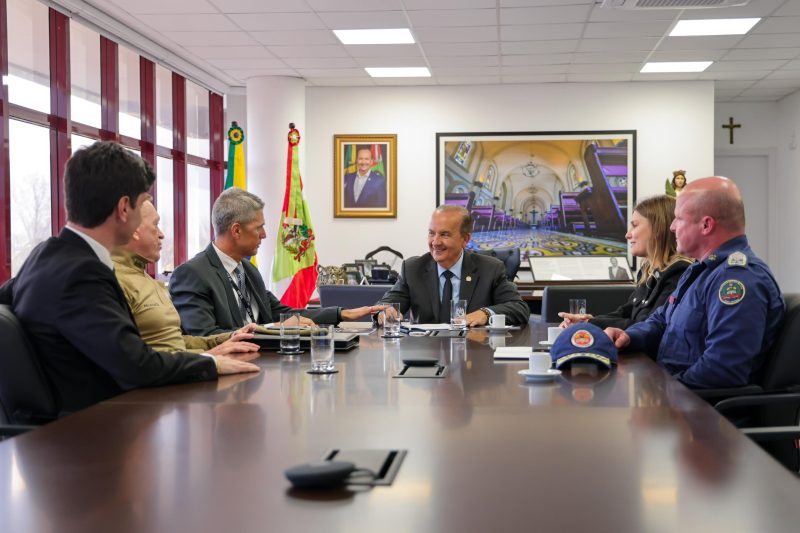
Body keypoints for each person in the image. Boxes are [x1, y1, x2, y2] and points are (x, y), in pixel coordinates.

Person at [0, 141, 259, 415]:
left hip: (88, 426)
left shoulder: (45, 254)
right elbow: (136, 365)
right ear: (124, 208)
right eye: (142, 202)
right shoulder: (83, 275)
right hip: (96, 431)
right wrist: (211, 363)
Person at [605, 177, 784, 389]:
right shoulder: (700, 270)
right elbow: (662, 320)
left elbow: (722, 370)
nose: (671, 227)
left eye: (678, 219)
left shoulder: (737, 279)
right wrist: (629, 336)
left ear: (706, 225)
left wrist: (663, 393)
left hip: (704, 413)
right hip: (676, 398)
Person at [170, 188, 382, 336]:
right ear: (236, 230)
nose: (264, 234)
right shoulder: (192, 274)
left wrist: (341, 313)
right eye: (258, 227)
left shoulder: (247, 270)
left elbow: (283, 313)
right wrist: (274, 328)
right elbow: (206, 337)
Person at [113, 200, 261, 355]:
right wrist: (210, 357)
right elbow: (130, 358)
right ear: (134, 230)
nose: (161, 234)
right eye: (155, 225)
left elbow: (176, 342)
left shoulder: (148, 281)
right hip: (173, 376)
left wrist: (230, 337)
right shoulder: (113, 280)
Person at [377, 204, 529, 326]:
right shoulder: (413, 268)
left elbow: (519, 308)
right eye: (431, 233)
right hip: (427, 354)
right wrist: (386, 311)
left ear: (465, 239)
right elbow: (387, 303)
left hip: (474, 352)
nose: (435, 242)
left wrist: (485, 313)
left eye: (444, 234)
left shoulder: (490, 269)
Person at [559, 195, 693, 330]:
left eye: (635, 226)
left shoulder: (678, 272)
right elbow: (625, 313)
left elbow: (646, 327)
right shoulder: (648, 271)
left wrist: (591, 324)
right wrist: (588, 320)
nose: (627, 235)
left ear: (658, 229)